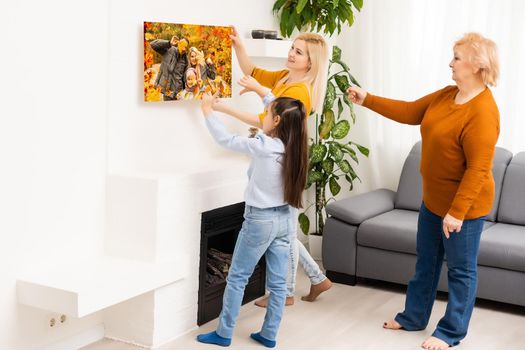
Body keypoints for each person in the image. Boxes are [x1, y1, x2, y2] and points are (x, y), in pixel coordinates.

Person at [347, 32, 500, 350]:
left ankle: (451, 332)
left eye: (456, 57)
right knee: (426, 263)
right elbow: (409, 111)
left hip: (464, 210)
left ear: (476, 65)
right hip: (433, 201)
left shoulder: (483, 112)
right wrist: (368, 99)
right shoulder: (447, 95)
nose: (451, 62)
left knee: (461, 271)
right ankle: (414, 317)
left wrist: (457, 212)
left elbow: (479, 169)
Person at [213, 27, 332, 308]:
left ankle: (287, 292)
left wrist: (224, 109)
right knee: (285, 230)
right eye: (292, 47)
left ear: (310, 62)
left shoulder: (300, 91)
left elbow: (262, 119)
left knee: (286, 232)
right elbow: (252, 70)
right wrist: (238, 45)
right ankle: (317, 278)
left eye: (298, 51)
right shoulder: (283, 77)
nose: (291, 53)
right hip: (273, 158)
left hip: (285, 164)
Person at [196, 95, 309, 348]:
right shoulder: (297, 147)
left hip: (260, 220)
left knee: (237, 277)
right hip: (285, 219)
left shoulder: (264, 145)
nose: (263, 116)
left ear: (277, 120)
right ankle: (269, 335)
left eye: (266, 113)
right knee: (278, 284)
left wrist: (207, 111)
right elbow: (283, 112)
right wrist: (268, 97)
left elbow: (226, 140)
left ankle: (223, 333)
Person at [149, 36, 189, 100]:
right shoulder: (169, 50)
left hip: (179, 94)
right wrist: (169, 43)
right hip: (167, 91)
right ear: (178, 43)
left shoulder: (185, 59)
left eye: (186, 47)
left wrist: (183, 91)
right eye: (182, 45)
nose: (184, 49)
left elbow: (185, 77)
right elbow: (153, 44)